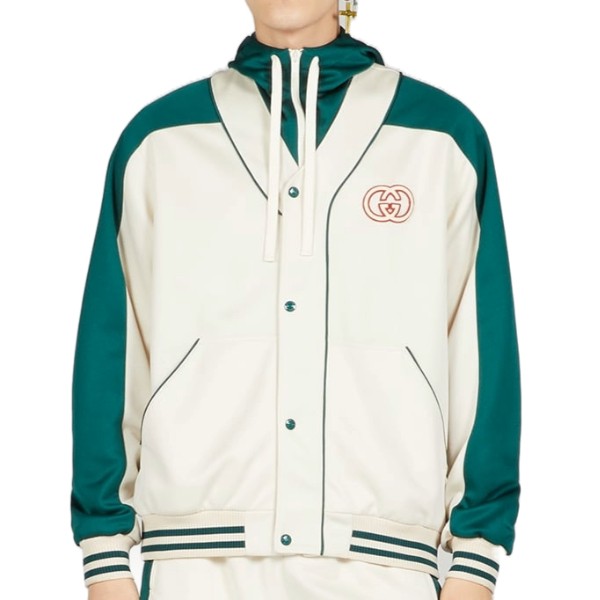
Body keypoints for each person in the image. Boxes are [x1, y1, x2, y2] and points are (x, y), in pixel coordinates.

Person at [70, 1, 522, 599]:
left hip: (383, 567)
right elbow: (111, 349)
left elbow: (483, 355)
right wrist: (105, 559)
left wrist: (475, 561)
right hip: (194, 566)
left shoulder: (441, 138)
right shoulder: (160, 140)